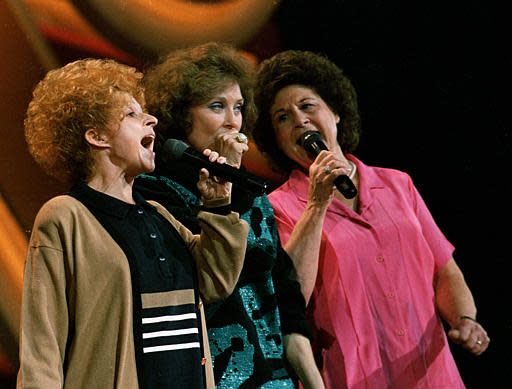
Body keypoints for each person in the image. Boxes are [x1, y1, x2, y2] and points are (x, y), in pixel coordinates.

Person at [251, 49, 490, 389]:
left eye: (307, 106)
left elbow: (445, 271)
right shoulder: (278, 207)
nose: (299, 120)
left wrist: (466, 320)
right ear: (276, 140)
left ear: (335, 113)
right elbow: (291, 301)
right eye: (282, 118)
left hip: (431, 376)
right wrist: (317, 203)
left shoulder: (398, 184)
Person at [16, 58, 249, 389]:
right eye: (132, 115)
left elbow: (215, 280)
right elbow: (42, 347)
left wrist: (217, 202)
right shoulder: (65, 216)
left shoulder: (157, 214)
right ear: (96, 136)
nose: (152, 120)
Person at [134, 42, 325, 388]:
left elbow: (285, 299)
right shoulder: (155, 192)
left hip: (276, 380)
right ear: (180, 115)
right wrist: (225, 187)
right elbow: (209, 281)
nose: (232, 120)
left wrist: (313, 381)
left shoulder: (254, 196)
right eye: (216, 106)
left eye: (238, 107)